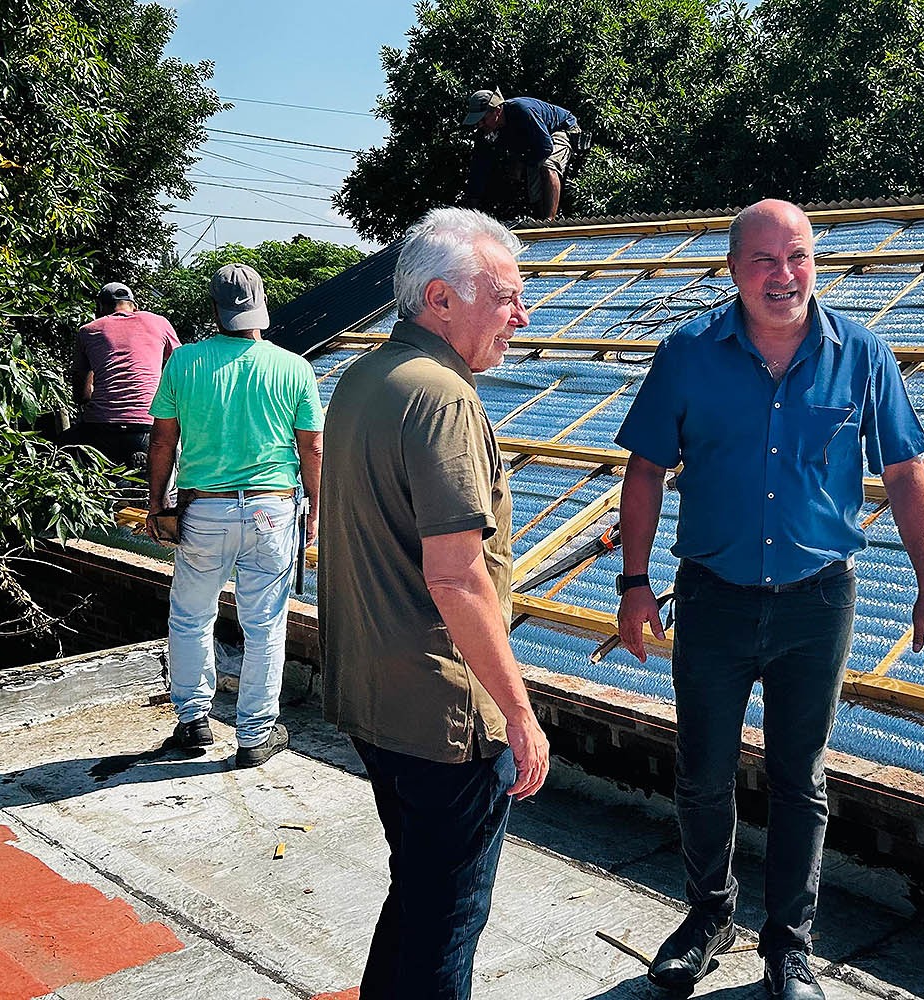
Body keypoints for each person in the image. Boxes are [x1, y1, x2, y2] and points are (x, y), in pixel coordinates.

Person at [614, 199, 924, 1000]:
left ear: (815, 263)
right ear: (733, 269)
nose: (783, 275)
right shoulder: (689, 352)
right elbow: (644, 472)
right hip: (714, 597)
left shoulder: (861, 353)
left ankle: (789, 947)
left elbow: (905, 474)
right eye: (764, 260)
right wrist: (633, 584)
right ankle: (708, 916)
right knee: (702, 771)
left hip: (816, 602)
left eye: (797, 256)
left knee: (801, 777)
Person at [318, 206, 550, 999]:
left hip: (375, 698)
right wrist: (517, 711)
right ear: (441, 300)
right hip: (443, 717)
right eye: (506, 296)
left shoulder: (364, 378)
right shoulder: (445, 399)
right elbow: (456, 578)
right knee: (446, 922)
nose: (522, 315)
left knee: (416, 902)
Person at [146, 263, 323, 769]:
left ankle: (194, 721)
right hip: (273, 508)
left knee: (190, 615)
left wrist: (157, 504)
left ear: (216, 310)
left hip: (202, 508)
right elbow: (311, 447)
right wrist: (313, 507)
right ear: (261, 304)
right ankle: (255, 735)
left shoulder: (185, 362)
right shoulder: (293, 368)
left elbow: (163, 439)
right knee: (265, 624)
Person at [63, 282, 180, 467]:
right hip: (149, 423)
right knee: (157, 491)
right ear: (134, 306)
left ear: (100, 307)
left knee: (62, 450)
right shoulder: (159, 323)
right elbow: (180, 365)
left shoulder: (88, 331)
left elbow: (81, 394)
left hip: (101, 427)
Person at [462, 87, 579, 221]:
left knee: (547, 167)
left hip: (562, 129)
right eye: (477, 122)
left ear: (497, 110)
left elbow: (546, 147)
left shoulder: (522, 111)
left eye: (483, 119)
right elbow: (478, 167)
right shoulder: (486, 132)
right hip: (536, 145)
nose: (480, 125)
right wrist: (471, 209)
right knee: (532, 185)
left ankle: (549, 222)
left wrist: (520, 162)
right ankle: (540, 221)